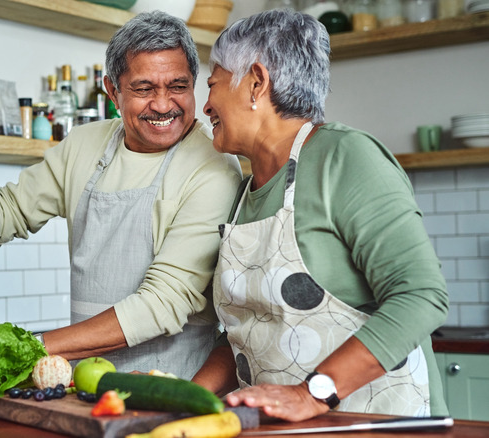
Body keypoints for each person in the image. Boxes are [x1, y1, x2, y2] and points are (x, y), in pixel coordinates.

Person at [0, 11, 243, 379]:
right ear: (113, 91)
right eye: (144, 89)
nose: (163, 105)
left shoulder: (213, 168)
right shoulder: (86, 144)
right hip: (82, 385)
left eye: (178, 87)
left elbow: (163, 302)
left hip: (172, 391)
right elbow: (13, 209)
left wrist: (30, 347)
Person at [190, 9, 449, 422]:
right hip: (277, 427)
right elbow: (248, 336)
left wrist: (312, 394)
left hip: (373, 423)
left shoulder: (346, 157)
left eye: (214, 85)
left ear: (256, 82)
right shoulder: (243, 194)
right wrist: (182, 397)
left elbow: (421, 296)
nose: (206, 105)